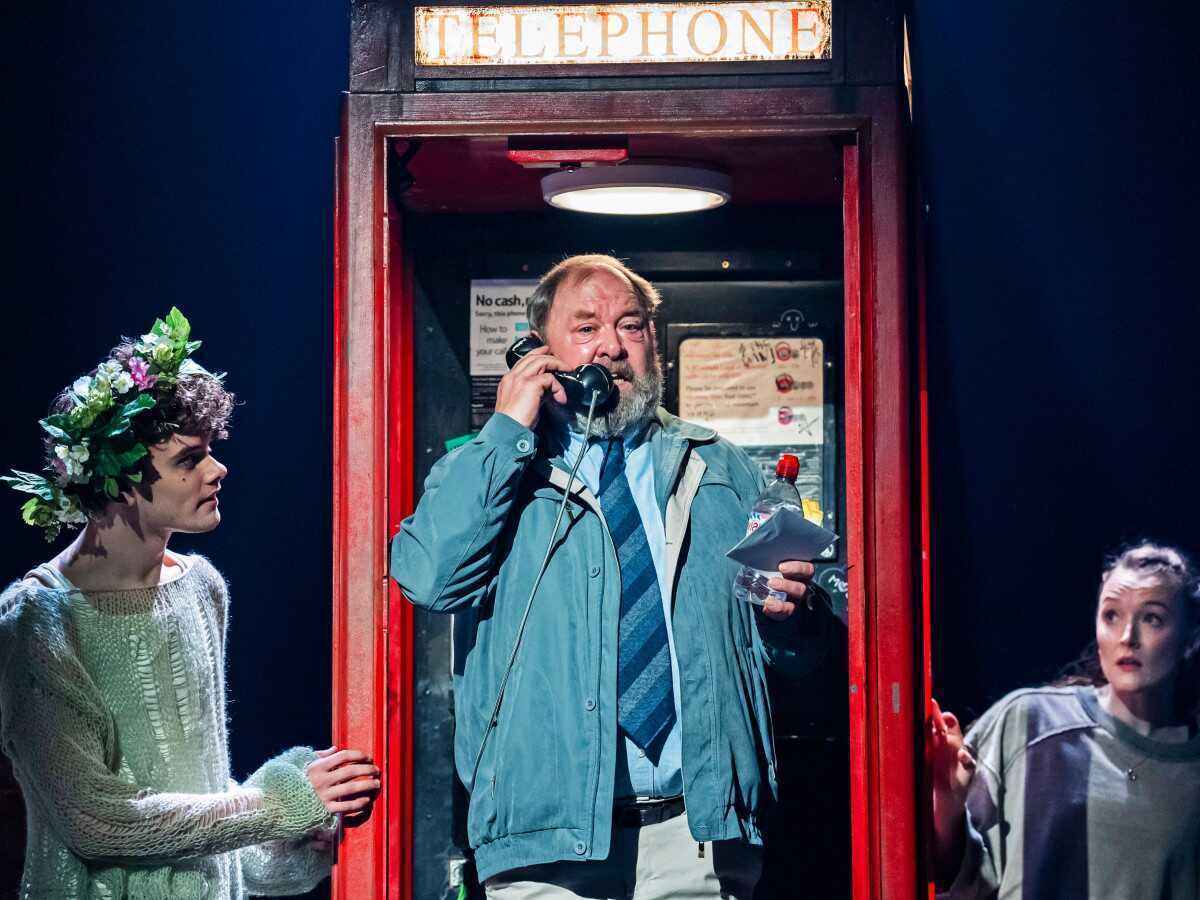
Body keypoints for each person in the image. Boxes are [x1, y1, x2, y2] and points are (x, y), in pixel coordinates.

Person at [391, 255, 836, 899]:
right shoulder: (493, 467)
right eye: (586, 328)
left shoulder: (721, 468)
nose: (612, 347)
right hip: (546, 846)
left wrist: (794, 616)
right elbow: (429, 579)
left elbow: (790, 654)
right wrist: (507, 430)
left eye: (630, 326)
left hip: (698, 836)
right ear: (538, 350)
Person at [0, 308, 380, 898]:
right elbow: (98, 823)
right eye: (188, 459)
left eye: (208, 450)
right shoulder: (39, 619)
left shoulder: (201, 586)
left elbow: (200, 792)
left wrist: (296, 831)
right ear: (119, 482)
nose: (217, 469)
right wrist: (280, 803)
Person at [929, 541, 1200, 899]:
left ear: (1190, 637)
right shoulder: (1029, 723)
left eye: (1152, 618)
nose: (1127, 637)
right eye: (1111, 616)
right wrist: (946, 806)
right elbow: (954, 875)